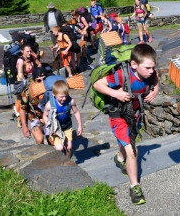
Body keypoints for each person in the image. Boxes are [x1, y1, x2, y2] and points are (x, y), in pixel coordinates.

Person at [93, 44, 159, 205]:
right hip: (118, 116)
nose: (151, 71)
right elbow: (98, 84)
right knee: (132, 151)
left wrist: (155, 91)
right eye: (148, 67)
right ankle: (134, 187)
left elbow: (156, 79)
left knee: (126, 145)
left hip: (135, 116)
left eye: (153, 67)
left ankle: (119, 157)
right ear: (134, 65)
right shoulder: (121, 75)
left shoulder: (151, 74)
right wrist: (115, 93)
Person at [42, 80, 83, 158]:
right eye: (61, 97)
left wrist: (80, 126)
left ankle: (67, 160)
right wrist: (50, 127)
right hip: (56, 128)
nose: (64, 99)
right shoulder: (50, 105)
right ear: (53, 94)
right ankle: (58, 156)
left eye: (66, 96)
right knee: (59, 148)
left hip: (67, 126)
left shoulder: (70, 101)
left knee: (69, 147)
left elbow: (76, 112)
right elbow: (44, 116)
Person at [19, 67, 50, 144]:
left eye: (44, 79)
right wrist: (24, 127)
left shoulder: (51, 88)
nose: (42, 82)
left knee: (53, 141)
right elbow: (22, 109)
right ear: (34, 80)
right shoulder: (28, 92)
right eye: (39, 80)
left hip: (49, 117)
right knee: (39, 140)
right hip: (34, 118)